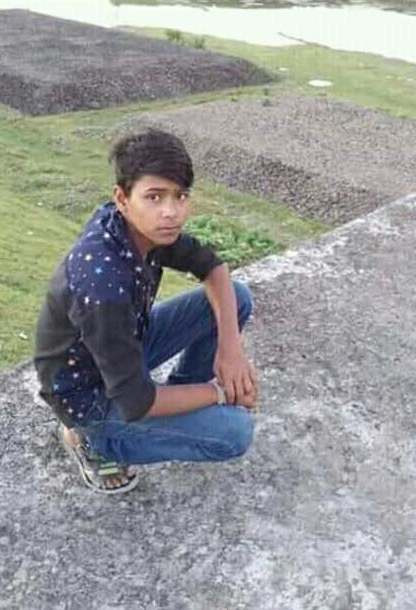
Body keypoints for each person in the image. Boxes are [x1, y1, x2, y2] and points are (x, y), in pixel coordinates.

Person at [34, 128, 258, 495]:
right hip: (88, 395)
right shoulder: (101, 283)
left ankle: (180, 400)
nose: (171, 212)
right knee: (235, 432)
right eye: (154, 197)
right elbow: (138, 401)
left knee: (236, 296)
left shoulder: (142, 229)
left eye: (180, 196)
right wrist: (220, 392)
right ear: (122, 199)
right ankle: (96, 443)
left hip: (122, 348)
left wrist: (230, 350)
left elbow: (213, 268)